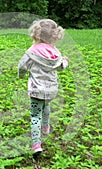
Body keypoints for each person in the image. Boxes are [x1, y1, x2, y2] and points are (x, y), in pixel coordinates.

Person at [18, 19, 69, 154]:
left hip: (36, 90)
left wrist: (21, 75)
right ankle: (45, 127)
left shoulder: (32, 51)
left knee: (35, 115)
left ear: (36, 34)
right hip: (51, 90)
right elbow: (61, 67)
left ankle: (36, 144)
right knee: (46, 106)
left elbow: (22, 66)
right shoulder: (55, 53)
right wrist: (65, 61)